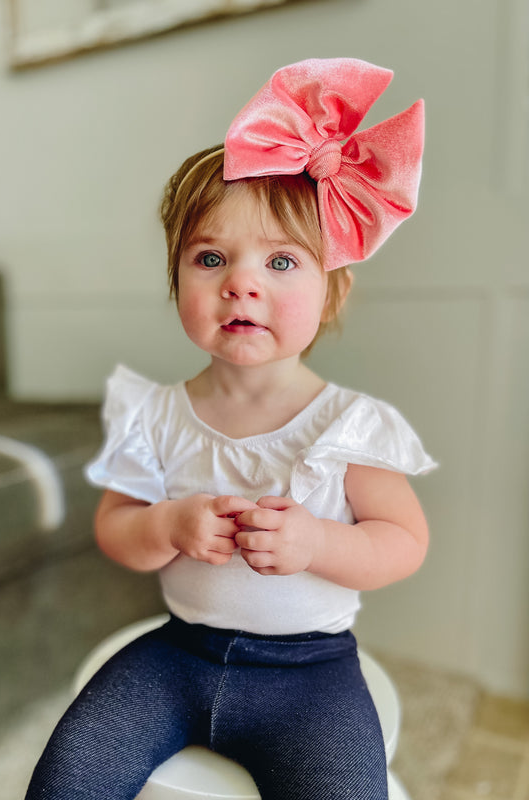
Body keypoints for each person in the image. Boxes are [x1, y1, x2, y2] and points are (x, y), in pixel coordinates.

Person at [25, 57, 436, 800]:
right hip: (177, 656)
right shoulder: (157, 415)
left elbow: (404, 541)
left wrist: (318, 542)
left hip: (310, 677)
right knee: (67, 775)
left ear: (332, 289)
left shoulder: (348, 425)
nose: (242, 283)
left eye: (282, 261)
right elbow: (117, 529)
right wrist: (169, 525)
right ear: (176, 280)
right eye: (210, 257)